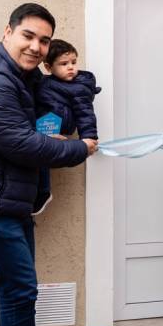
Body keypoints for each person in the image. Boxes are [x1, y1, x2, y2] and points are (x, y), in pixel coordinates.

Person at [0, 3, 97, 326]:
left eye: (44, 41)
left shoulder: (23, 77)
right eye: (28, 35)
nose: (35, 46)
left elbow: (38, 124)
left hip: (8, 202)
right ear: (8, 32)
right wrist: (78, 148)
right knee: (20, 292)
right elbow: (19, 143)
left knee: (10, 288)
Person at [33, 38, 102, 214]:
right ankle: (38, 191)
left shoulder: (79, 87)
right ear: (48, 67)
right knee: (36, 156)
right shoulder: (44, 82)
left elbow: (85, 114)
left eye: (73, 62)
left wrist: (89, 137)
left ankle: (43, 191)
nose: (71, 67)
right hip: (43, 127)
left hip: (60, 128)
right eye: (64, 64)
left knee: (43, 157)